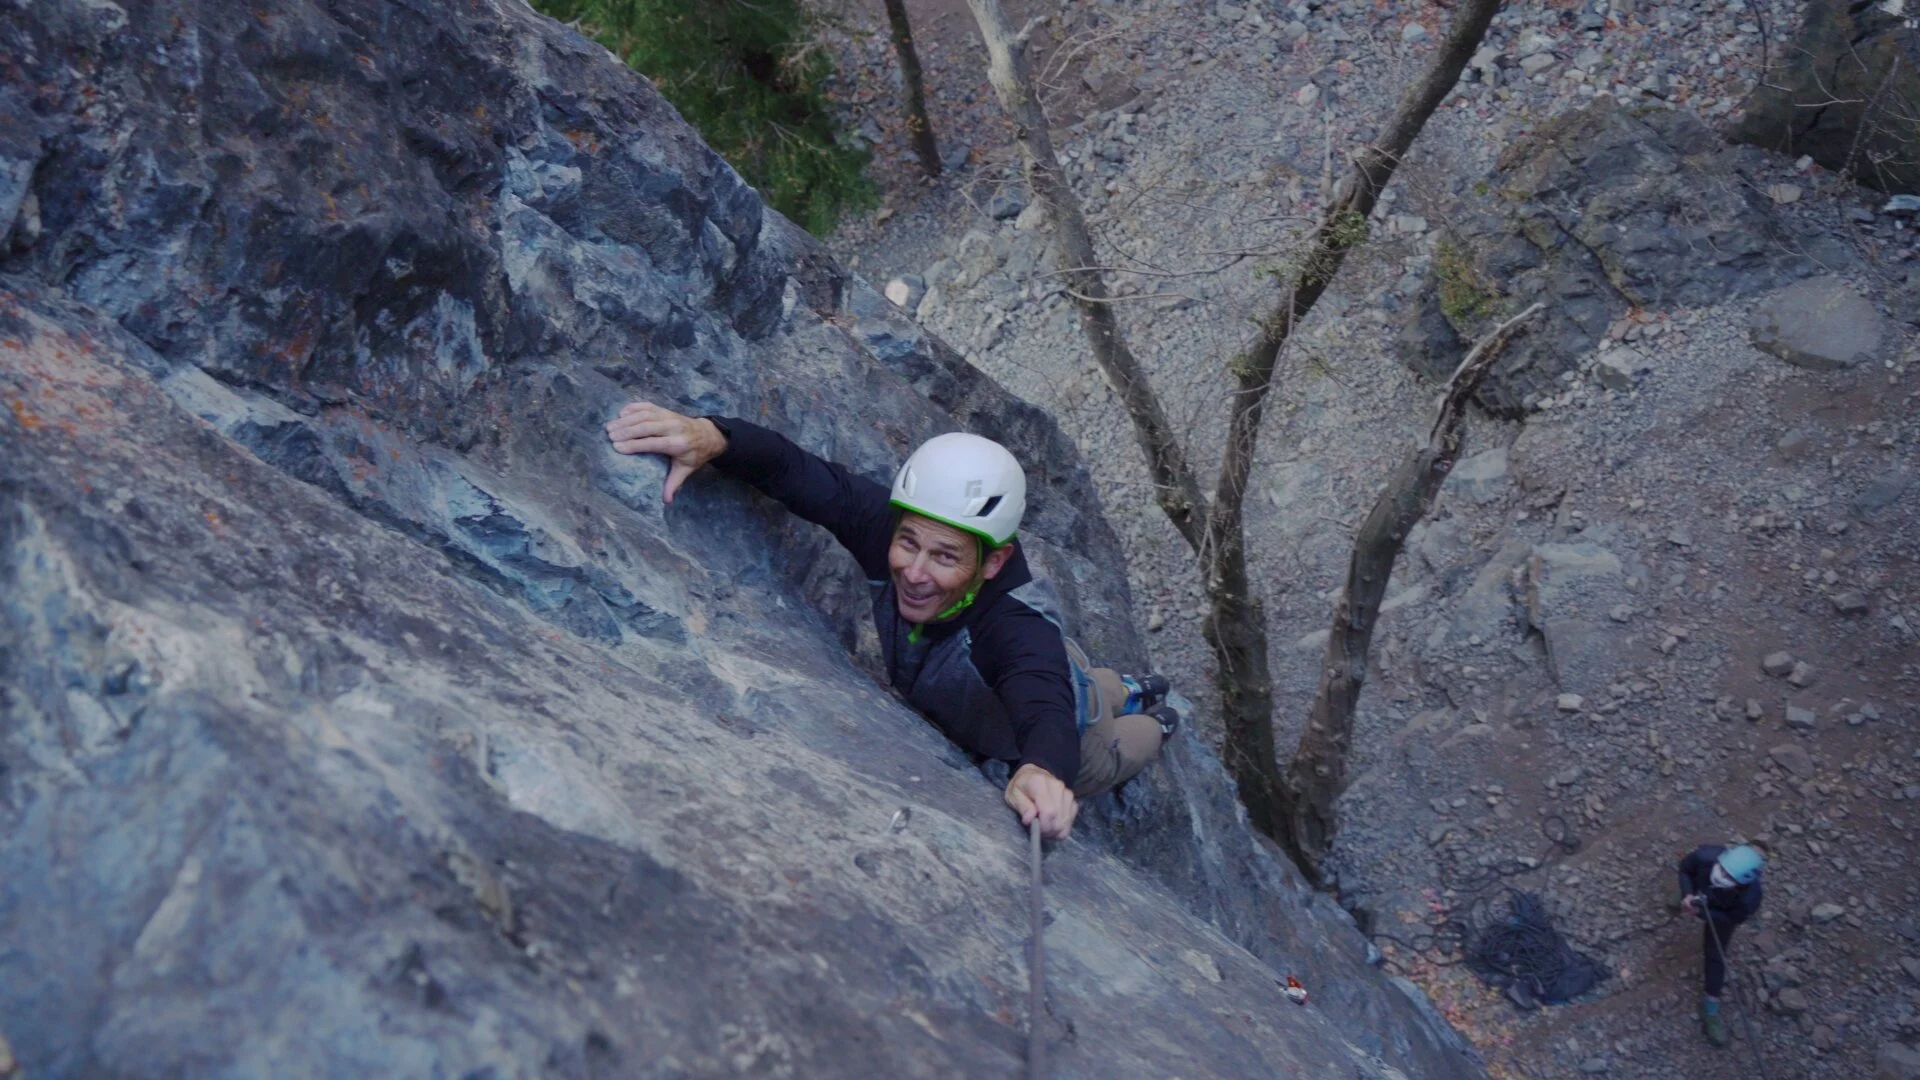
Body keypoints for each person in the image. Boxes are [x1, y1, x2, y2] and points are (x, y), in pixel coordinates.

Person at [605, 401, 1177, 840]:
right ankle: (1126, 687)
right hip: (1047, 679)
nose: (915, 572)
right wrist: (715, 436)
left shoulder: (1015, 629)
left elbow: (1042, 700)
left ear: (993, 562)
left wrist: (1045, 771)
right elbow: (799, 472)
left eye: (946, 557)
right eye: (909, 544)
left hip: (1050, 705)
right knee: (1095, 687)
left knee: (1113, 748)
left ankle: (1163, 719)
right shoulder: (897, 533)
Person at [1674, 843, 1765, 1047]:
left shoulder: (1749, 899)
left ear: (1742, 883)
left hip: (1718, 911)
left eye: (1729, 876)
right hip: (1700, 891)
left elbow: (1729, 920)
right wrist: (1687, 894)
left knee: (1716, 956)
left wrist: (1703, 913)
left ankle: (1711, 1008)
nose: (1720, 874)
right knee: (1686, 893)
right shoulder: (1705, 857)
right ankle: (1681, 900)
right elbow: (1685, 869)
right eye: (1722, 868)